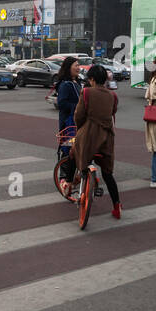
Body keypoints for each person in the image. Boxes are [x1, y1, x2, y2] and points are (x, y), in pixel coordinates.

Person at [73, 64, 122, 219]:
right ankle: (117, 206)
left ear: (92, 79)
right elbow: (112, 112)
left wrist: (81, 129)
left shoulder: (86, 92)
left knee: (74, 153)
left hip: (89, 135)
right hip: (107, 138)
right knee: (108, 173)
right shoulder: (113, 96)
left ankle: (73, 182)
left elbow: (78, 115)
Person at [54, 57, 82, 193]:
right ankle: (64, 178)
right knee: (67, 148)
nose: (78, 67)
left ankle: (73, 176)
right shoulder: (65, 84)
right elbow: (62, 103)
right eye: (76, 65)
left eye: (78, 65)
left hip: (76, 121)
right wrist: (78, 106)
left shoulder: (76, 82)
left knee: (75, 147)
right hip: (68, 122)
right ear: (68, 67)